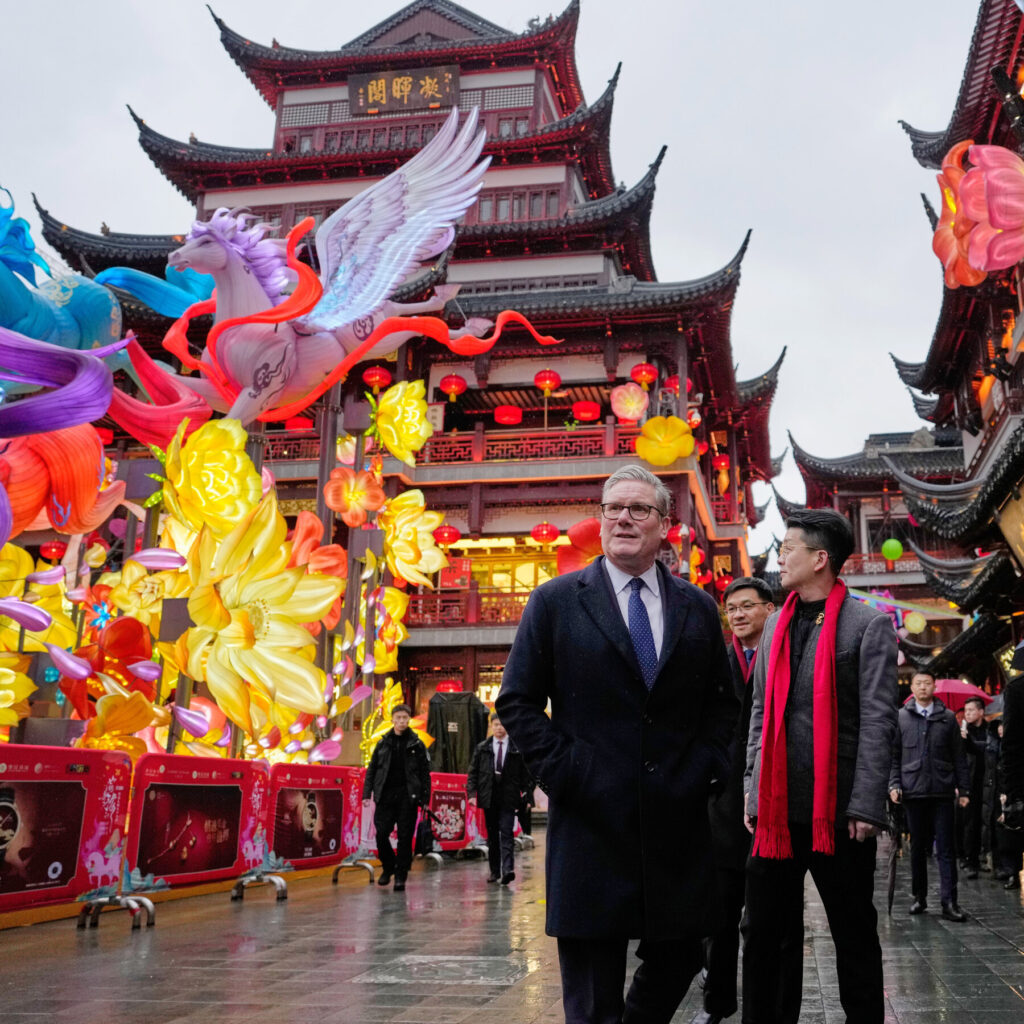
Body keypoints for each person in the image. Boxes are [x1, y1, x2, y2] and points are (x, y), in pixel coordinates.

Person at [497, 465, 738, 1024]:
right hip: (591, 818)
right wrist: (568, 772)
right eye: (613, 508)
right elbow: (517, 700)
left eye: (639, 509)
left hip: (675, 817)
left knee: (681, 954)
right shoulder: (556, 601)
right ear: (601, 518)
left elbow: (722, 704)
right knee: (592, 991)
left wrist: (704, 768)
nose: (623, 518)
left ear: (664, 525)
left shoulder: (697, 607)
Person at [743, 508, 897, 1024]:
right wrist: (751, 788)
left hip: (839, 810)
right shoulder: (774, 626)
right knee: (763, 932)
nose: (780, 557)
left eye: (788, 548)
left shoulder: (866, 624)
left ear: (820, 559)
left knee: (853, 931)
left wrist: (867, 804)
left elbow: (878, 719)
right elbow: (760, 714)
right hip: (776, 809)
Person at [692, 577, 778, 1024]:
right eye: (732, 609)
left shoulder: (783, 658)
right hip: (723, 802)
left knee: (763, 920)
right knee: (720, 916)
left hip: (771, 799)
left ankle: (761, 1009)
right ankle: (717, 1004)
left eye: (747, 606)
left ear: (769, 609)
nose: (738, 615)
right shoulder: (716, 663)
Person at [889, 671, 970, 921]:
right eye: (918, 683)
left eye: (927, 683)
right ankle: (919, 897)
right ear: (912, 688)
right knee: (917, 848)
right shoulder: (901, 717)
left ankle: (949, 901)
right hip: (913, 791)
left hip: (942, 791)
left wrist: (964, 790)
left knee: (946, 848)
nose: (923, 687)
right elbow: (894, 756)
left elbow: (959, 757)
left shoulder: (947, 718)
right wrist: (894, 784)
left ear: (934, 686)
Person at [362, 703, 431, 892]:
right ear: (392, 720)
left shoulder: (417, 744)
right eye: (398, 718)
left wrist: (425, 799)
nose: (401, 721)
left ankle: (401, 875)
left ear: (409, 720)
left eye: (405, 718)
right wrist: (367, 793)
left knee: (405, 837)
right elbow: (372, 769)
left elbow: (425, 774)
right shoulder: (383, 743)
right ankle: (388, 866)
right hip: (385, 795)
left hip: (408, 797)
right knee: (381, 833)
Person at [467, 712, 528, 884]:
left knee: (507, 832)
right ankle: (494, 871)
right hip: (489, 795)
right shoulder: (482, 748)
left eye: (502, 724)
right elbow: (473, 773)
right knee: (492, 835)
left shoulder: (516, 748)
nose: (499, 728)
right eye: (496, 724)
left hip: (508, 796)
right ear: (491, 726)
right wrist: (472, 794)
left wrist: (526, 795)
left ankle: (508, 869)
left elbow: (525, 773)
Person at [959, 696, 988, 878]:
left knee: (984, 822)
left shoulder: (990, 730)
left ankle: (984, 856)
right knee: (968, 822)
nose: (967, 714)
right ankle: (969, 859)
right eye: (966, 710)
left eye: (971, 710)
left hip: (986, 782)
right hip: (968, 783)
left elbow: (985, 748)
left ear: (981, 712)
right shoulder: (962, 732)